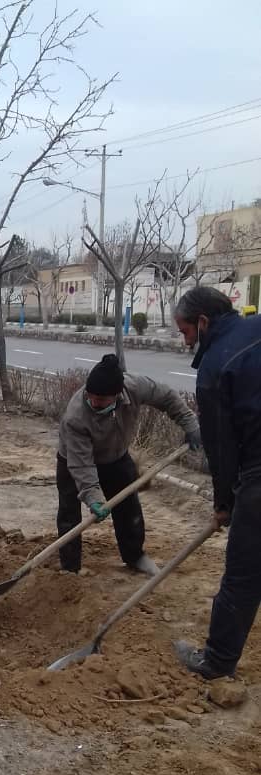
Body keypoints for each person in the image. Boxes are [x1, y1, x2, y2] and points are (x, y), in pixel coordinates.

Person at [172, 286, 261, 679]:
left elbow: (222, 449)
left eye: (185, 331)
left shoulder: (213, 369)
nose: (184, 339)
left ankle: (216, 663)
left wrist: (224, 502)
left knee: (243, 575)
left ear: (204, 323)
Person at [57, 353, 201, 575]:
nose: (94, 402)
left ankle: (134, 556)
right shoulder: (76, 416)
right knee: (69, 513)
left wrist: (190, 425)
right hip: (74, 460)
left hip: (116, 456)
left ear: (117, 395)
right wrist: (93, 497)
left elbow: (167, 397)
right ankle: (70, 568)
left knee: (128, 507)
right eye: (91, 396)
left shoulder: (134, 387)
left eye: (102, 400)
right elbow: (82, 466)